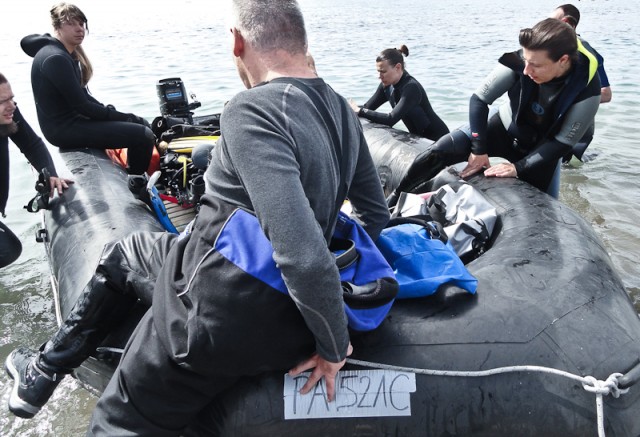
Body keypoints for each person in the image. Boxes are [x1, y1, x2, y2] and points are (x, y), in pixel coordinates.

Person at [5, 0, 390, 433]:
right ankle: (42, 370)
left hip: (215, 310)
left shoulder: (250, 110)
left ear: (238, 41)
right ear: (302, 41)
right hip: (278, 303)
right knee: (128, 251)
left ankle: (49, 377)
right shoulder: (342, 110)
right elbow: (374, 216)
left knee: (116, 422)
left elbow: (301, 254)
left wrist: (334, 346)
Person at [407, 18, 600, 198]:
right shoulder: (523, 60)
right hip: (504, 129)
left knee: (545, 210)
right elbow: (479, 100)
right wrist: (479, 149)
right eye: (526, 61)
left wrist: (518, 167)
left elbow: (563, 142)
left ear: (563, 60)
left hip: (543, 150)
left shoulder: (587, 88)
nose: (526, 70)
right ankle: (395, 201)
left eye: (535, 65)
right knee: (439, 150)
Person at [19, 2, 155, 196]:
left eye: (81, 24)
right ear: (57, 27)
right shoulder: (56, 58)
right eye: (71, 24)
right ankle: (136, 187)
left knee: (134, 121)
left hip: (71, 123)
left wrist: (117, 114)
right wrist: (128, 118)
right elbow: (83, 106)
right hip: (64, 130)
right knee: (143, 135)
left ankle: (133, 177)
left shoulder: (62, 53)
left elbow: (84, 98)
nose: (79, 29)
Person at [0, 72, 72, 269]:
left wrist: (50, 174)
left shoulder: (9, 114)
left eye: (12, 98)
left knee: (10, 250)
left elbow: (31, 144)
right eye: (3, 102)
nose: (11, 106)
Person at [550, 4, 612, 162]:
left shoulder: (587, 53)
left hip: (575, 130)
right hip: (569, 132)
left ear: (566, 22)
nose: (547, 26)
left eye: (552, 21)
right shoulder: (551, 51)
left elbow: (606, 94)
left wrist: (569, 101)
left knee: (564, 164)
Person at [349, 45, 450, 141]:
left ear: (397, 67)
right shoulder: (386, 85)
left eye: (383, 71)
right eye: (378, 71)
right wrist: (348, 109)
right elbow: (367, 107)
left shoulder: (411, 87)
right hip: (419, 139)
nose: (379, 76)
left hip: (439, 139)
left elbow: (391, 119)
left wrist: (360, 111)